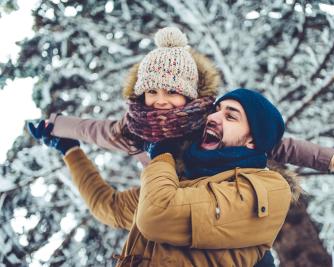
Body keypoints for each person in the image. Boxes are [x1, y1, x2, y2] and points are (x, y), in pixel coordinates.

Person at [36, 26, 334, 176]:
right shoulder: (135, 131)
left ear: (188, 94)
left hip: (226, 199)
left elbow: (282, 146)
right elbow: (96, 131)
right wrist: (58, 123)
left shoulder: (208, 121)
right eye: (152, 92)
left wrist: (333, 160)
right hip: (173, 209)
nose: (160, 101)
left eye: (171, 92)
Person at [29, 88, 295, 266]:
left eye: (230, 116)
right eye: (215, 110)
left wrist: (161, 156)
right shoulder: (177, 181)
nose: (213, 117)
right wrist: (71, 151)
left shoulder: (269, 189)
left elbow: (157, 215)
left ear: (252, 141)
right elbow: (107, 206)